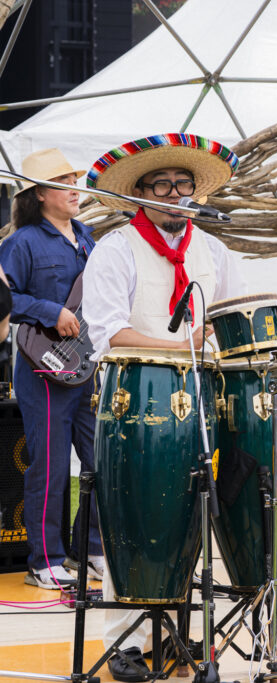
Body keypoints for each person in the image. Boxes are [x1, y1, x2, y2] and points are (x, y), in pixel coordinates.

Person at [81, 133, 246, 681]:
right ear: (140, 194)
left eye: (184, 184)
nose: (176, 194)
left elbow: (232, 317)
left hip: (202, 397)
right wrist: (181, 347)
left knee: (191, 510)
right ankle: (125, 640)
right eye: (162, 185)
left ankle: (174, 628)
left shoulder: (213, 250)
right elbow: (109, 334)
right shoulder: (116, 248)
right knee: (135, 511)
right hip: (136, 399)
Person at [0, 148, 103, 590]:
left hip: (88, 368)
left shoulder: (89, 239)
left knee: (102, 461)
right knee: (51, 466)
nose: (74, 189)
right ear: (39, 194)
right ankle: (44, 561)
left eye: (74, 181)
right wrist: (49, 310)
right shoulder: (21, 243)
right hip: (42, 369)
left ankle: (89, 548)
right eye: (63, 183)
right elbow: (5, 298)